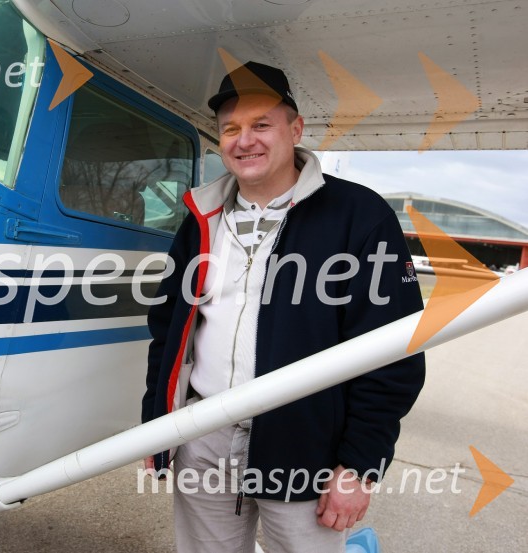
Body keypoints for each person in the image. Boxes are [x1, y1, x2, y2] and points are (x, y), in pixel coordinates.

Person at [141, 61, 426, 553]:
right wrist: (157, 423)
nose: (243, 139)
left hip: (307, 446)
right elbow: (168, 329)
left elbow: (395, 351)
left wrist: (360, 464)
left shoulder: (360, 215)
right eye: (230, 128)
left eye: (261, 125)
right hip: (202, 437)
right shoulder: (200, 218)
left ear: (295, 129)